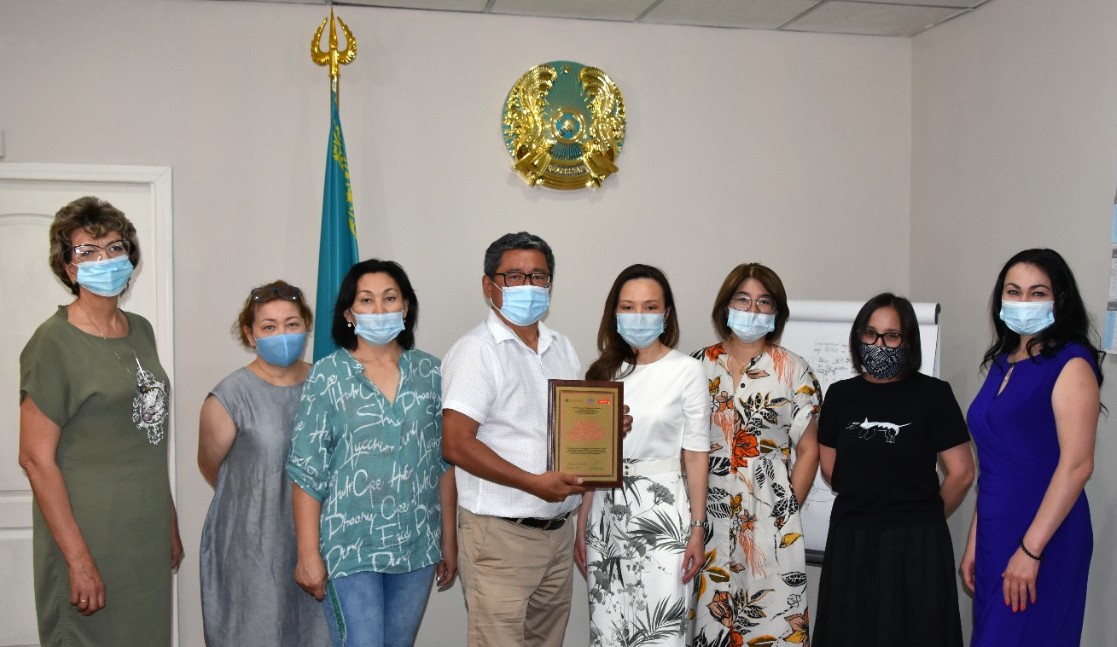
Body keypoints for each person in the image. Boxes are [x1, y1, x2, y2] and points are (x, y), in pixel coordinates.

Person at [18, 196, 182, 646]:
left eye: (114, 247)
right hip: (88, 535)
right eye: (87, 251)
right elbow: (34, 459)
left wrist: (166, 520)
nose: (104, 259)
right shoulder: (53, 342)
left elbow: (145, 437)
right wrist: (77, 560)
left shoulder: (141, 330)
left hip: (142, 533)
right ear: (69, 269)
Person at [287, 259, 457, 647]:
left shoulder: (432, 373)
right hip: (349, 546)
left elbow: (442, 463)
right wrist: (307, 553)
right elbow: (306, 470)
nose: (379, 310)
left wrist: (448, 539)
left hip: (416, 545)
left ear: (406, 307)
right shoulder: (327, 376)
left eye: (389, 298)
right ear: (349, 313)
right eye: (366, 300)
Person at [441, 232, 588, 647]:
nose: (528, 285)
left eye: (538, 276)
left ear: (550, 285)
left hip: (557, 533)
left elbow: (566, 428)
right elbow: (454, 443)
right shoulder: (476, 351)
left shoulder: (563, 347)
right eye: (514, 276)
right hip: (500, 537)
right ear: (489, 286)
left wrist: (608, 429)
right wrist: (533, 482)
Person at [813, 293, 974, 646]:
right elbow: (830, 467)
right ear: (858, 337)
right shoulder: (840, 395)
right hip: (851, 541)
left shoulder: (934, 394)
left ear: (908, 341)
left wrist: (924, 516)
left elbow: (962, 472)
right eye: (870, 334)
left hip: (916, 546)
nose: (879, 344)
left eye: (891, 336)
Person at [962, 249, 1102, 647]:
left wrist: (1031, 550)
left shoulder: (1072, 364)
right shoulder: (1004, 362)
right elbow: (992, 463)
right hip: (995, 530)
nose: (1023, 302)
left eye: (1037, 292)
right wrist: (975, 539)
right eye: (1014, 291)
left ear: (1059, 299)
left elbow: (1077, 465)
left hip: (1045, 535)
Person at [574, 264, 709, 646]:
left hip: (662, 516)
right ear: (614, 313)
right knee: (609, 629)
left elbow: (696, 457)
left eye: (650, 307)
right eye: (628, 307)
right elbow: (590, 457)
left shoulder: (688, 371)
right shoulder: (603, 372)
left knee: (659, 631)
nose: (639, 316)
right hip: (604, 514)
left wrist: (697, 530)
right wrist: (583, 522)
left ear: (666, 315)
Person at [690, 263, 820, 647]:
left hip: (771, 528)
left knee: (773, 629)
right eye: (743, 299)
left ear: (776, 312)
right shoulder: (695, 366)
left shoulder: (794, 369)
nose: (752, 309)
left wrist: (782, 511)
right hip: (706, 523)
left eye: (764, 302)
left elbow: (809, 449)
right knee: (711, 631)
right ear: (725, 306)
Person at [197, 280, 330, 646]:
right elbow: (214, 469)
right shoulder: (228, 397)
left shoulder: (326, 384)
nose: (281, 333)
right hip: (251, 548)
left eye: (291, 324)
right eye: (268, 327)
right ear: (250, 334)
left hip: (320, 543)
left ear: (306, 326)